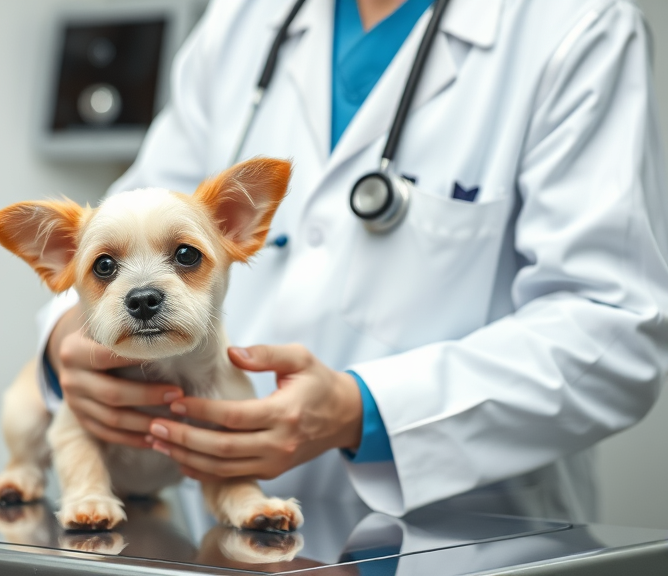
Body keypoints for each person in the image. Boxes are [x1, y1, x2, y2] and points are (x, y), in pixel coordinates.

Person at [36, 0, 668, 521]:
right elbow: (122, 227)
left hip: (465, 533)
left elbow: (613, 329)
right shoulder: (241, 20)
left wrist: (364, 411)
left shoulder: (578, 25)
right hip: (226, 533)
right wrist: (70, 341)